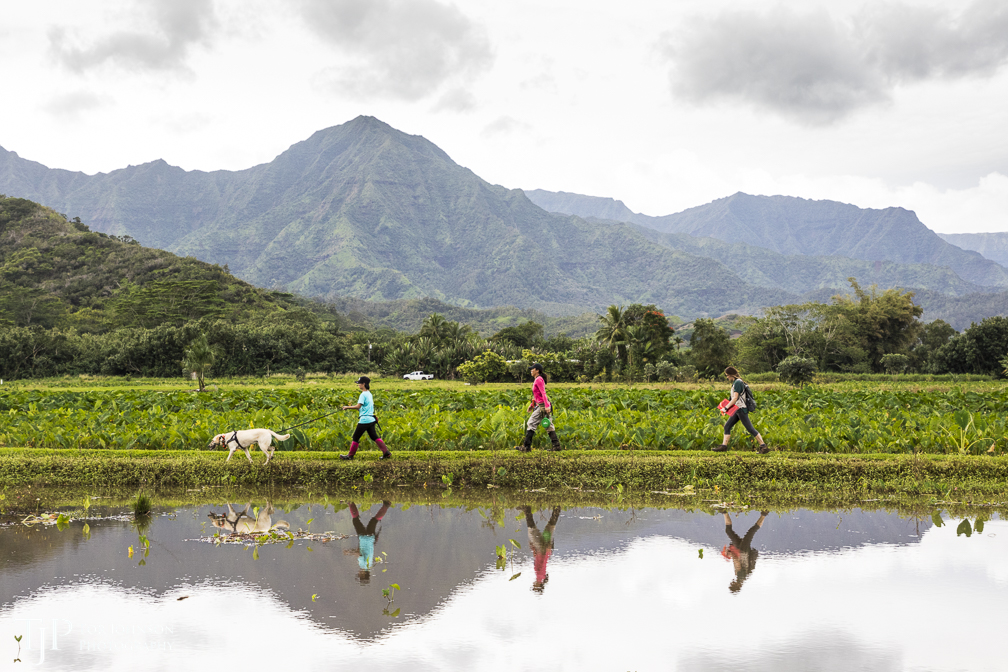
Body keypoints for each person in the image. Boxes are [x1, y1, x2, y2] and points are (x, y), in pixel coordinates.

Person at [713, 366, 768, 453]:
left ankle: (763, 446)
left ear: (731, 374)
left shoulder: (738, 382)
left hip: (741, 409)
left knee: (750, 429)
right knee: (727, 426)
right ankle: (724, 446)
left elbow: (735, 398)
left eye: (727, 375)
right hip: (737, 409)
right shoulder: (736, 382)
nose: (727, 377)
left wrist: (726, 408)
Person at [339, 376, 392, 460]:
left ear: (364, 384)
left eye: (359, 383)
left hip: (365, 420)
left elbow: (358, 406)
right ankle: (386, 453)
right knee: (374, 436)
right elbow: (364, 407)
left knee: (355, 437)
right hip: (371, 419)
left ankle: (350, 456)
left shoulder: (363, 394)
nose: (358, 385)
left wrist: (347, 407)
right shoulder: (369, 394)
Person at [721, 510, 769, 593]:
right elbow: (737, 561)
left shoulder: (743, 577)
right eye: (732, 584)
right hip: (743, 551)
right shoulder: (740, 576)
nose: (731, 582)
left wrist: (732, 552)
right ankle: (764, 514)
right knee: (751, 531)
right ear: (735, 585)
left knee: (729, 531)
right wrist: (731, 553)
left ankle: (724, 512)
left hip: (740, 551)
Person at [516, 363, 561, 452]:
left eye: (532, 369)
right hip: (540, 405)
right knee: (549, 425)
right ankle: (556, 446)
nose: (531, 371)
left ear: (537, 370)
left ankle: (526, 447)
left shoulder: (539, 380)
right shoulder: (537, 379)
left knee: (531, 423)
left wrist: (547, 406)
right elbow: (537, 395)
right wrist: (531, 405)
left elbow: (543, 393)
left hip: (542, 406)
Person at [348, 500, 391, 584]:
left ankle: (386, 506)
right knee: (355, 520)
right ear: (363, 574)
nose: (359, 573)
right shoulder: (363, 565)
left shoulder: (370, 565)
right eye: (360, 575)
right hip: (363, 537)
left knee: (374, 521)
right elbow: (358, 553)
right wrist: (348, 552)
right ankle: (350, 502)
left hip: (371, 538)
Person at [522, 505, 561, 593]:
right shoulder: (540, 576)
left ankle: (557, 509)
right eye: (535, 587)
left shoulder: (541, 577)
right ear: (539, 585)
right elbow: (543, 562)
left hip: (543, 550)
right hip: (542, 550)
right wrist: (546, 550)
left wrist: (534, 549)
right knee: (532, 531)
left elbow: (538, 561)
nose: (533, 585)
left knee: (549, 528)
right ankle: (527, 509)